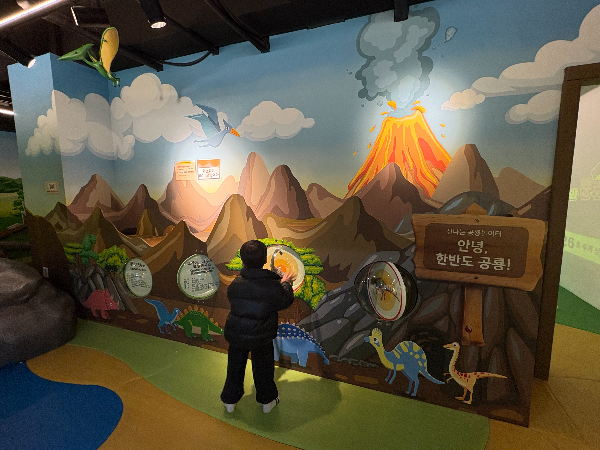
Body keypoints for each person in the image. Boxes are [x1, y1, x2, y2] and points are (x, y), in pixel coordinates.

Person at [221, 240, 296, 414]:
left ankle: (230, 401)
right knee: (263, 369)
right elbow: (285, 301)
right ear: (264, 260)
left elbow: (234, 300)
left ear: (242, 261)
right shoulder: (272, 285)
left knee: (234, 368)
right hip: (261, 335)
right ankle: (267, 401)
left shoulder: (236, 283)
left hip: (236, 333)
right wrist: (285, 283)